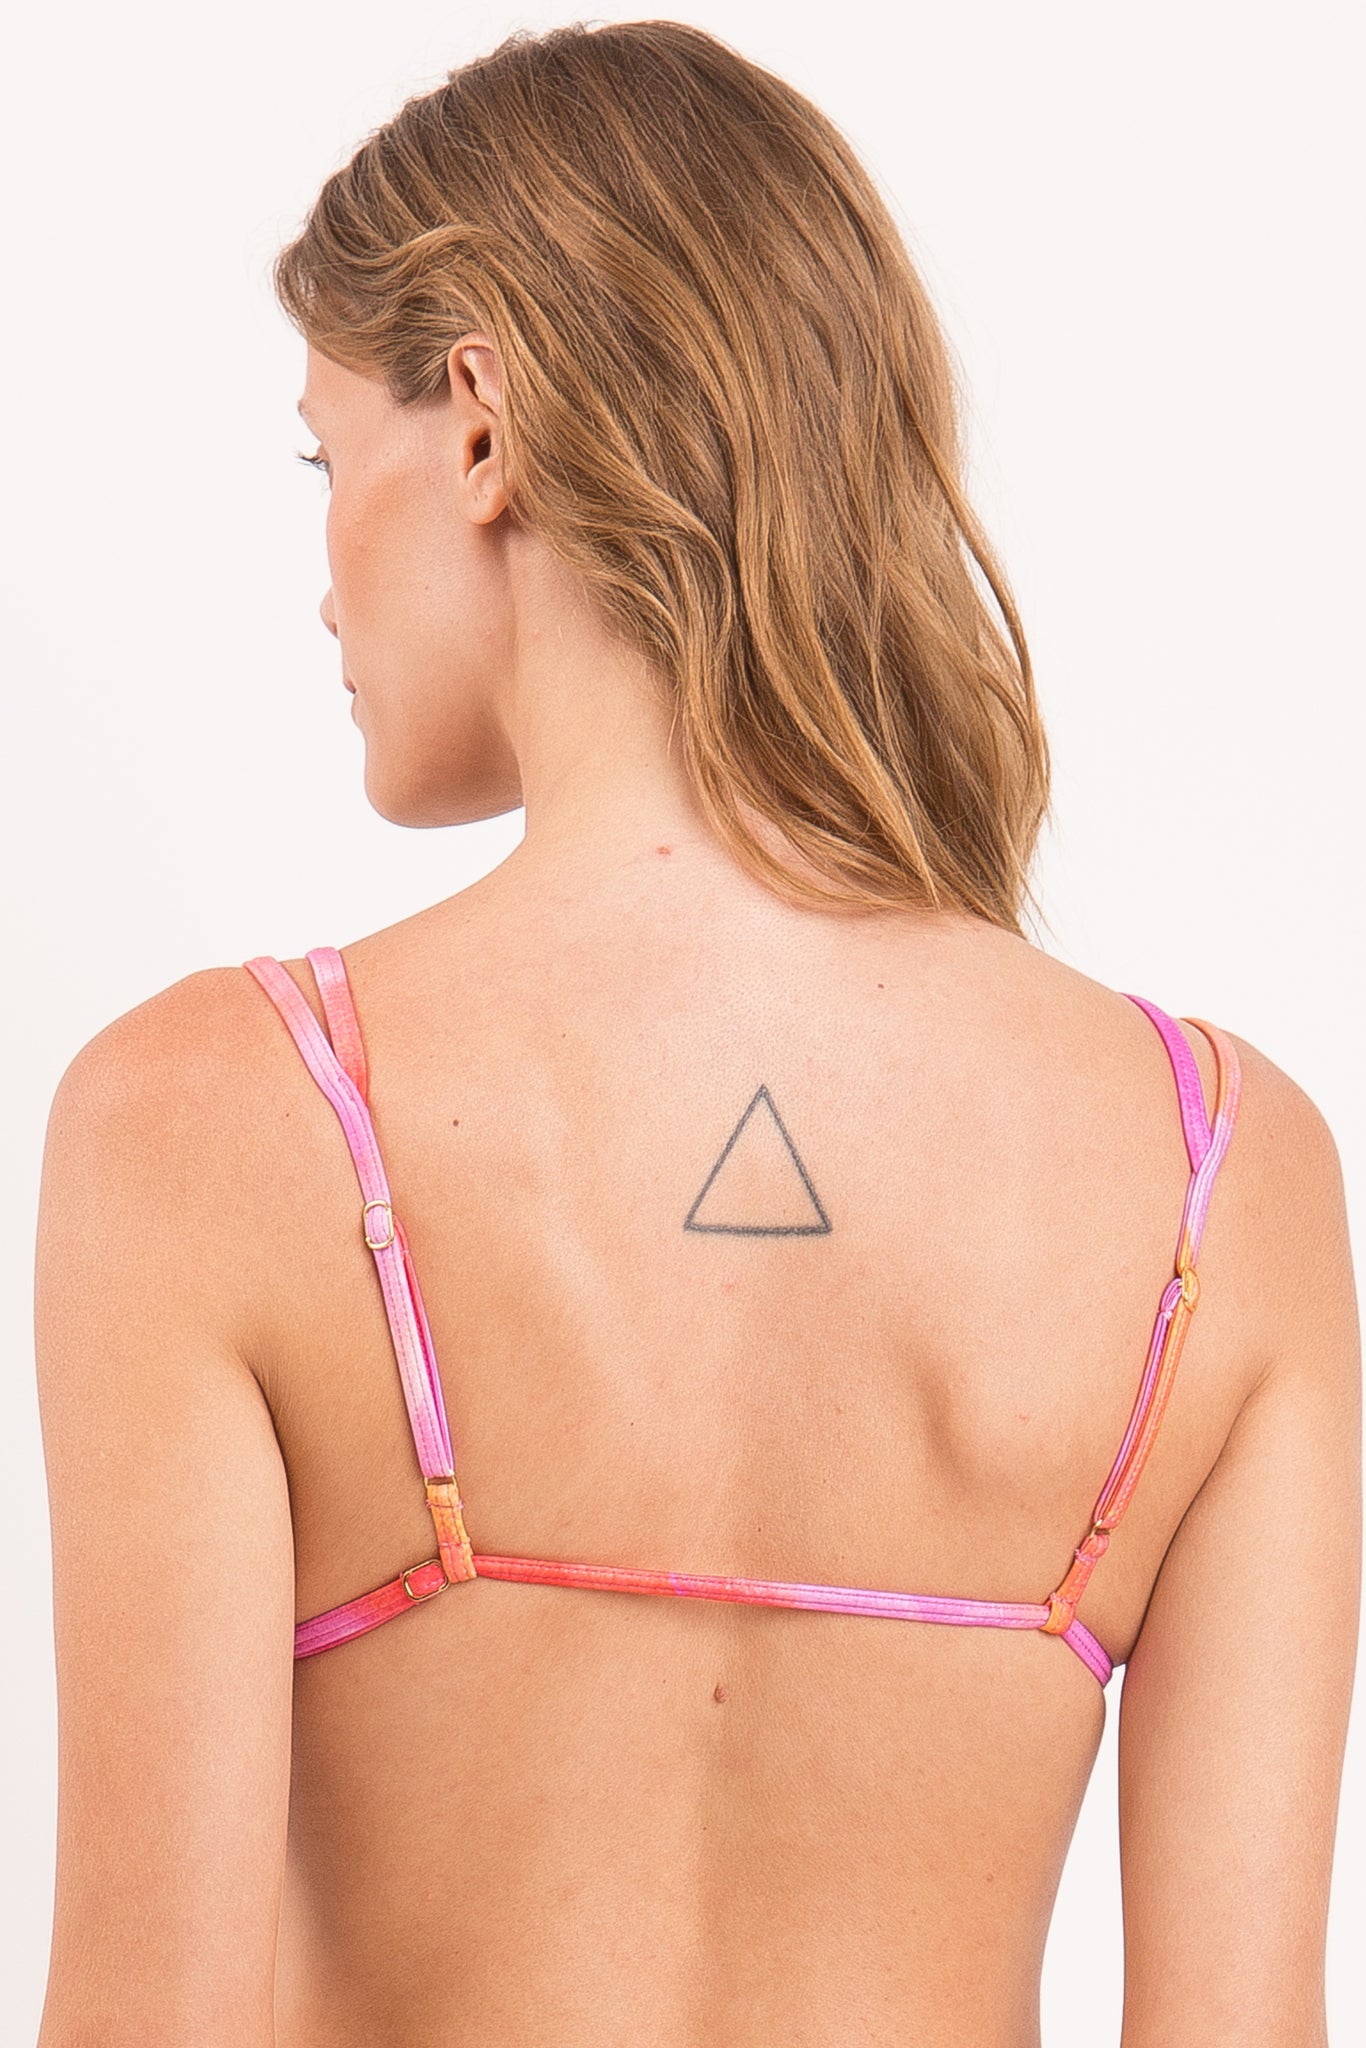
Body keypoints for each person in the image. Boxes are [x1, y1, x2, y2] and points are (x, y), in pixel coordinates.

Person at [33, 20, 1359, 2046]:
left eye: (325, 457)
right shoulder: (1218, 1174)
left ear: (480, 427)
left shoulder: (212, 1124)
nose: (320, 580)